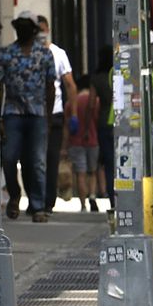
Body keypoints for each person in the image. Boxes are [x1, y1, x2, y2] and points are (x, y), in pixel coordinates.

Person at [0, 13, 55, 221]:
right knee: (9, 157)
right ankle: (15, 194)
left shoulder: (44, 54)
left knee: (37, 161)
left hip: (37, 113)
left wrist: (48, 118)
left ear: (34, 30)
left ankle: (37, 205)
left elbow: (50, 87)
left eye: (26, 26)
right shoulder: (6, 54)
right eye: (19, 26)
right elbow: (0, 86)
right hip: (13, 113)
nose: (22, 30)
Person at [33, 13, 78, 212]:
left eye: (42, 30)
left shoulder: (58, 54)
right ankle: (36, 199)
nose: (40, 35)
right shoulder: (26, 54)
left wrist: (74, 114)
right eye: (37, 31)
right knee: (33, 158)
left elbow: (69, 84)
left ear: (48, 30)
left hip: (55, 114)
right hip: (33, 113)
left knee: (51, 158)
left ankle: (47, 201)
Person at [67, 74, 102, 211]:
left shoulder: (71, 103)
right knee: (92, 171)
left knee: (80, 174)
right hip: (93, 140)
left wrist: (64, 147)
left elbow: (66, 126)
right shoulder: (97, 101)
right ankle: (92, 195)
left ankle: (83, 205)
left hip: (76, 142)